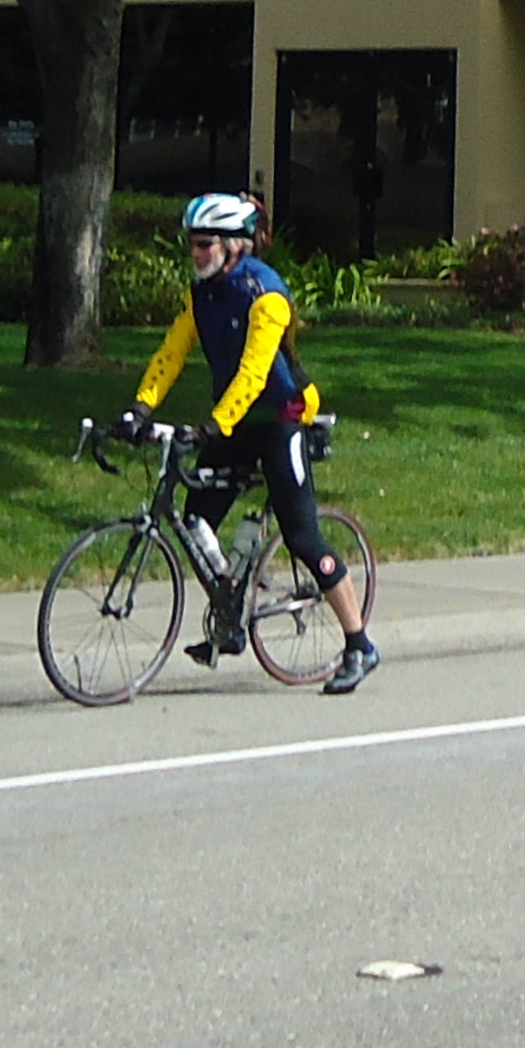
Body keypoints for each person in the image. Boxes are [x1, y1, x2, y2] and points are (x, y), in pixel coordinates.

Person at [126, 192, 377, 687]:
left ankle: (359, 644)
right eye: (192, 244)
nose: (195, 253)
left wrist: (214, 424)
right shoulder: (202, 294)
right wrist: (140, 408)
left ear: (234, 246)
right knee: (196, 519)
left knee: (303, 537)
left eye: (204, 244)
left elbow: (254, 372)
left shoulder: (266, 296)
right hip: (235, 422)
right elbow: (171, 353)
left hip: (281, 418)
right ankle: (231, 605)